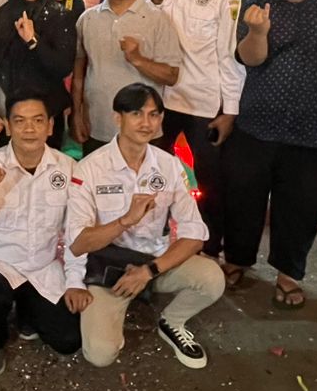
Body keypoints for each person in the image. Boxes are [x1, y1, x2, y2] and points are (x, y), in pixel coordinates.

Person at [223, 0, 317, 302]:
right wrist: (258, 32)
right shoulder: (256, 5)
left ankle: (289, 273)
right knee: (243, 198)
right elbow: (250, 59)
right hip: (257, 125)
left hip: (314, 129)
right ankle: (238, 260)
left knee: (303, 204)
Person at [67, 83, 225, 369]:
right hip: (109, 268)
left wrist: (149, 271)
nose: (146, 122)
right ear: (118, 118)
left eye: (154, 115)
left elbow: (195, 235)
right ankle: (115, 312)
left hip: (154, 261)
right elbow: (78, 244)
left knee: (213, 279)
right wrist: (125, 221)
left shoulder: (169, 166)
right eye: (137, 113)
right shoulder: (90, 169)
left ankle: (172, 321)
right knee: (100, 354)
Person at [0, 92, 86, 375]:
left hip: (41, 267)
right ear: (8, 126)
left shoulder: (68, 168)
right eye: (20, 121)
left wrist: (75, 281)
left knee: (68, 341)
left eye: (38, 120)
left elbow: (75, 232)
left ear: (50, 126)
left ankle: (27, 309)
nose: (29, 129)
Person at [150, 0, 242, 270]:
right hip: (161, 100)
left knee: (210, 181)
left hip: (205, 101)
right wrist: (155, 0)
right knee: (154, 175)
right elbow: (149, 33)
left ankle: (209, 248)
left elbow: (229, 53)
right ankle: (152, 239)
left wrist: (229, 110)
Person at [71, 0, 181, 154]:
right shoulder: (87, 19)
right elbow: (79, 75)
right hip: (98, 127)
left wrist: (138, 59)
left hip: (144, 131)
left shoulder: (157, 18)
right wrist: (77, 113)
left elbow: (171, 76)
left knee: (144, 187)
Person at [0, 0, 76, 143]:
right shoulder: (1, 15)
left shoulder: (60, 16)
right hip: (5, 118)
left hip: (45, 117)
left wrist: (33, 41)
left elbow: (63, 67)